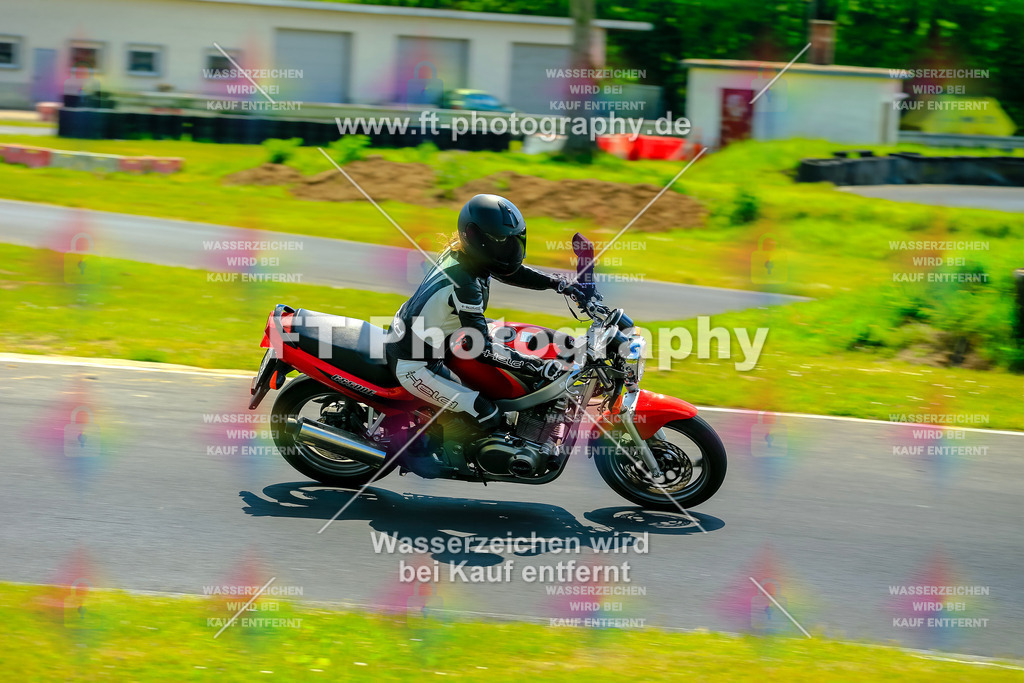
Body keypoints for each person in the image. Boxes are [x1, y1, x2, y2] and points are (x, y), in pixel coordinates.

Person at [384, 194, 591, 432]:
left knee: (512, 341)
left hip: (439, 338)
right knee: (487, 413)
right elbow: (481, 349)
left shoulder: (465, 255)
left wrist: (561, 284)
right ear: (476, 236)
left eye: (512, 240)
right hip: (415, 364)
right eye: (500, 241)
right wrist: (537, 366)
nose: (508, 249)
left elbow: (511, 272)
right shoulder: (465, 283)